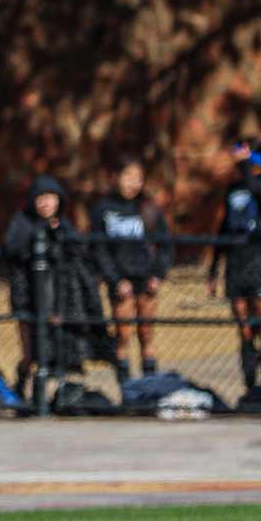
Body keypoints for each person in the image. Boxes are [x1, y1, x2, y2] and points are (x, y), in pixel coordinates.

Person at [2, 175, 85, 403]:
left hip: (57, 297)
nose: (46, 204)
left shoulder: (65, 225)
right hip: (27, 298)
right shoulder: (22, 222)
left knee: (58, 346)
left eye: (50, 198)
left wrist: (58, 233)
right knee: (30, 352)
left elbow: (77, 255)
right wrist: (38, 233)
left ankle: (56, 397)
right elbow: (11, 249)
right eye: (41, 198)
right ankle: (22, 388)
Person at [207, 136, 261, 391]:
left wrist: (248, 164)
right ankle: (250, 384)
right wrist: (214, 269)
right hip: (236, 262)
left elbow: (258, 193)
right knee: (244, 326)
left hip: (259, 260)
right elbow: (223, 228)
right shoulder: (233, 189)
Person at [90, 156, 171, 381]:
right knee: (123, 335)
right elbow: (99, 249)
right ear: (115, 177)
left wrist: (158, 274)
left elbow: (165, 244)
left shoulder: (148, 207)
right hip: (120, 279)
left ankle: (149, 384)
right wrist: (115, 280)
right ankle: (126, 390)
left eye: (138, 178)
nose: (133, 183)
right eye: (128, 177)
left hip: (145, 278)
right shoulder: (103, 209)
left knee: (146, 333)